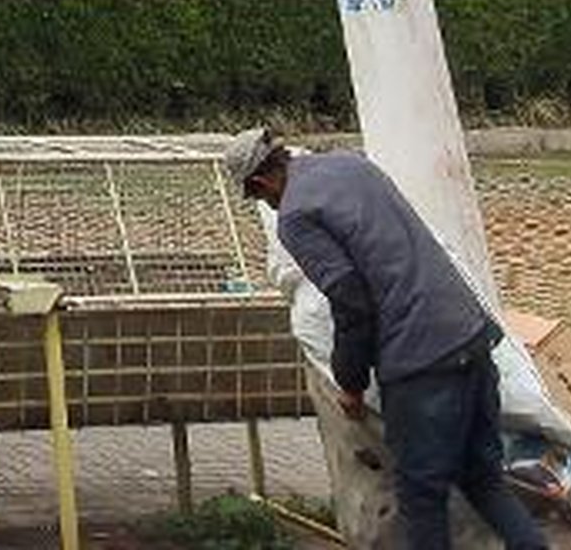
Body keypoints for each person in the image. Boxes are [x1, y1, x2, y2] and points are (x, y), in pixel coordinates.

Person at [227, 126, 544, 550]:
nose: (268, 204)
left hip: (421, 359)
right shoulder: (354, 165)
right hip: (470, 330)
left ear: (261, 182)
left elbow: (350, 300)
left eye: (260, 197)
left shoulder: (297, 216)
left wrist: (351, 384)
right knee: (483, 477)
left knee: (420, 494)